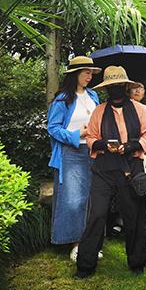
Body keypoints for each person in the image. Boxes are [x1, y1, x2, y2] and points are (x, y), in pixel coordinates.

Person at [76, 66, 146, 278]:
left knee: (134, 216)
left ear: (125, 86)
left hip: (131, 168)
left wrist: (131, 146)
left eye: (119, 85)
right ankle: (85, 265)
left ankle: (137, 263)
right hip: (104, 169)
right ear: (106, 89)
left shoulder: (140, 110)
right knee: (97, 214)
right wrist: (103, 145)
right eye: (112, 86)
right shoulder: (99, 111)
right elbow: (91, 138)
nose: (116, 89)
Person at [47, 56, 101, 261]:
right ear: (75, 74)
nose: (90, 76)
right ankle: (76, 243)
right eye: (86, 72)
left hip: (93, 152)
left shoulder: (93, 95)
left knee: (91, 197)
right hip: (71, 153)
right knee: (74, 199)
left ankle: (89, 241)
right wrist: (77, 134)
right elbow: (53, 128)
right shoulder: (63, 99)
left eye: (91, 73)